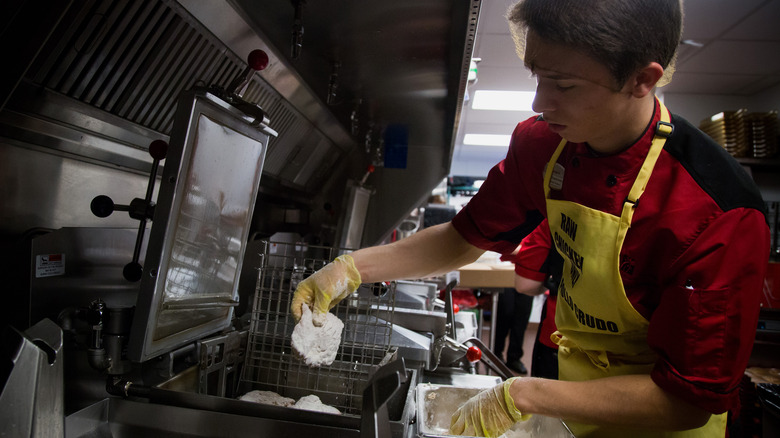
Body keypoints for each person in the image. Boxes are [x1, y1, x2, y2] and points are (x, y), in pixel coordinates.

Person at [290, 0, 770, 436]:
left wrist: (525, 393)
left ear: (643, 79)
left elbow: (686, 402)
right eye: (537, 76)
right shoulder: (544, 147)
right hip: (575, 403)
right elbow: (464, 237)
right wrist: (352, 269)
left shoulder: (717, 211)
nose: (540, 103)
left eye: (564, 85)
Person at [512, 219, 562, 381]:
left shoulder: (558, 212)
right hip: (628, 350)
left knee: (549, 402)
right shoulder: (639, 208)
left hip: (561, 335)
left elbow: (525, 285)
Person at [493, 285, 533, 375]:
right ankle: (497, 353)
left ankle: (514, 358)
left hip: (526, 277)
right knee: (505, 313)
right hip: (506, 276)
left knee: (522, 318)